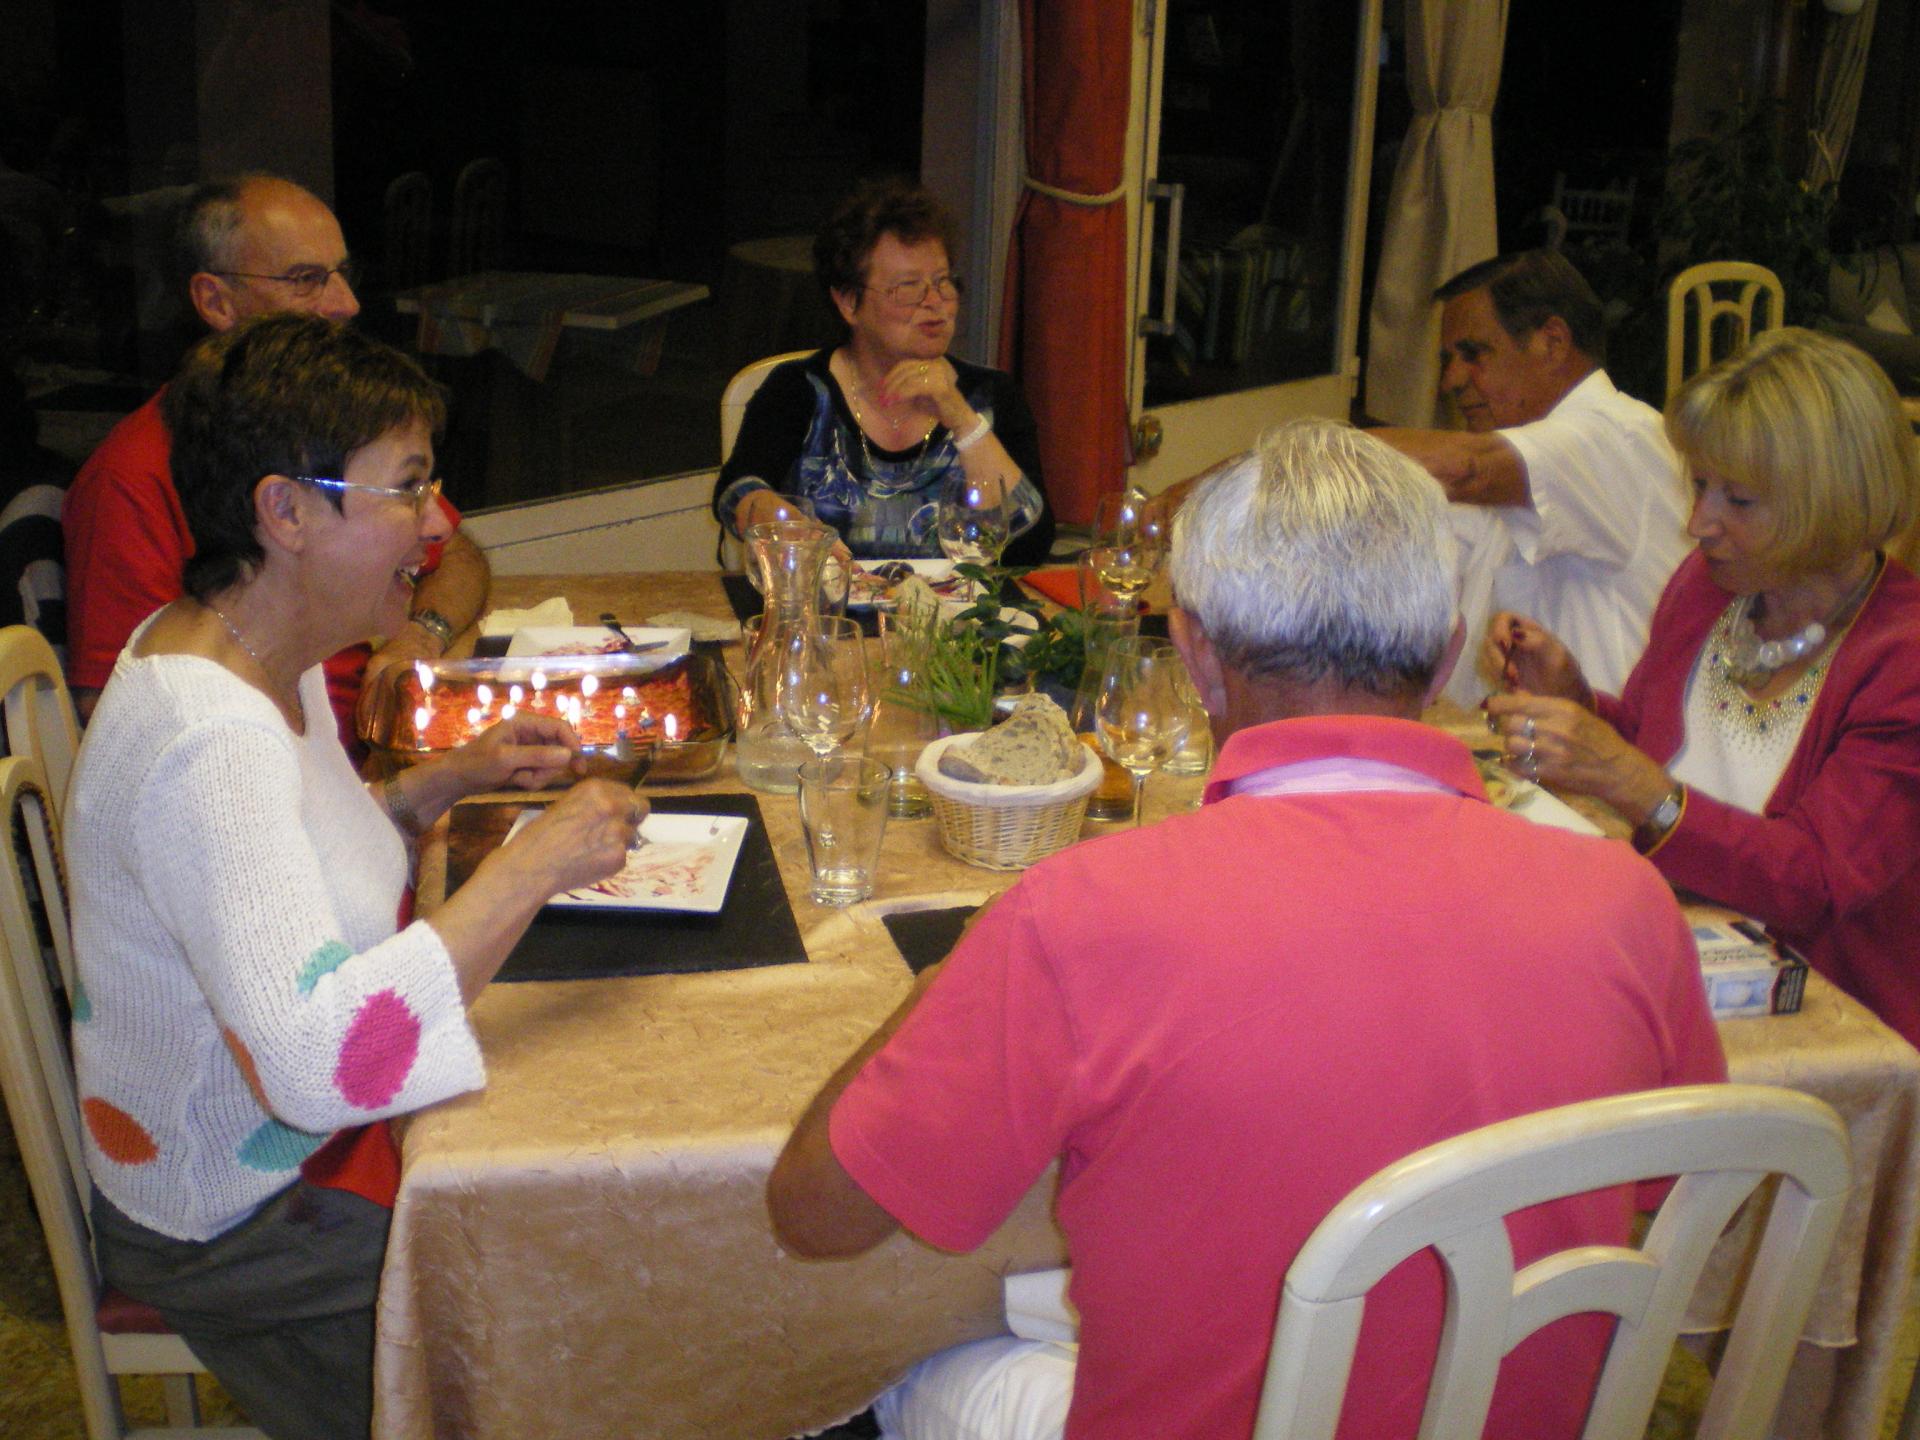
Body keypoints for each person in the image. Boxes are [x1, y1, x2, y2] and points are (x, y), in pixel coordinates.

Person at [767, 419, 1725, 1440]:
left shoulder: (1079, 916)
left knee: (908, 1373)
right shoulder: (1626, 903)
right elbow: (1680, 1194)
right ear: (1449, 658)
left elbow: (814, 1216)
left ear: (1195, 658)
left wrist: (933, 993)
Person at [66, 314, 642, 1440]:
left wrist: (439, 785)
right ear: (284, 511)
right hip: (236, 1220)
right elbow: (324, 1064)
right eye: (407, 488)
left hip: (278, 1163)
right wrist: (531, 868)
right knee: (570, 1292)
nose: (434, 524)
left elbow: (287, 880)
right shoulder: (208, 738)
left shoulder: (240, 650)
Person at [1485, 326, 1920, 1046]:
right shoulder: (1709, 587)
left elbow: (1812, 884)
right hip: (1678, 954)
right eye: (1699, 485)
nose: (1699, 523)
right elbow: (1661, 746)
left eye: (1738, 500)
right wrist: (1575, 701)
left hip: (1829, 1017)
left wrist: (1630, 781)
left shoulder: (1900, 661)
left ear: (1831, 502)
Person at [62, 172, 490, 743]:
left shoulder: (324, 430)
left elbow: (451, 552)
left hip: (376, 748)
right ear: (215, 300)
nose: (347, 304)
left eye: (343, 275)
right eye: (307, 280)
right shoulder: (130, 475)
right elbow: (121, 712)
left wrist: (422, 636)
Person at [1369, 249, 1690, 705]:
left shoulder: (1614, 434)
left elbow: (1463, 469)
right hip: (1522, 752)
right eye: (1447, 360)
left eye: (1473, 354)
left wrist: (1286, 458)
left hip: (1610, 754)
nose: (1451, 381)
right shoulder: (1520, 460)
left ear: (1552, 342)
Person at [713, 179, 1054, 564]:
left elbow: (1031, 544)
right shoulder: (799, 390)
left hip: (957, 620)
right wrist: (779, 521)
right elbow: (737, 491)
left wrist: (961, 418)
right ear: (848, 302)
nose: (935, 302)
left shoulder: (991, 395)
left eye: (943, 282)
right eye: (908, 287)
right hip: (831, 617)